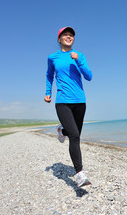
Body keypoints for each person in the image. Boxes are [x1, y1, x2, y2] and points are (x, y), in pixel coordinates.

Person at [44, 26, 93, 187]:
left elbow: (89, 76)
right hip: (62, 101)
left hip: (80, 101)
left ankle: (61, 130)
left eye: (71, 35)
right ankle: (80, 174)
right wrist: (47, 92)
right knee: (75, 136)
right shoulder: (53, 58)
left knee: (74, 133)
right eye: (65, 34)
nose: (68, 36)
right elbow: (49, 75)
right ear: (59, 39)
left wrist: (78, 59)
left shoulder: (80, 55)